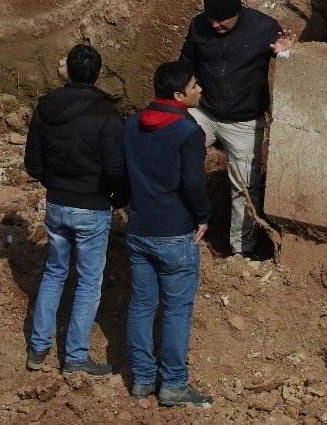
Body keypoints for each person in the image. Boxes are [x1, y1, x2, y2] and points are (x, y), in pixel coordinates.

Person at [105, 61, 213, 406]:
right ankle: (174, 384)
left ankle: (142, 379)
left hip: (139, 229)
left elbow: (117, 169)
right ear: (178, 94)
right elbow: (193, 182)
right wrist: (203, 216)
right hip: (175, 232)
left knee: (141, 305)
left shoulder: (133, 123)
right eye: (195, 85)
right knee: (177, 309)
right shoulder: (188, 131)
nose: (201, 89)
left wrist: (122, 201)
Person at [23, 44, 123, 376]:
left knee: (54, 272)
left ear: (67, 69)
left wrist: (55, 182)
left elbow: (32, 164)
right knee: (89, 280)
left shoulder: (45, 106)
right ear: (97, 72)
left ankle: (38, 350)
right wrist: (117, 196)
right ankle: (76, 357)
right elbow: (115, 166)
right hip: (92, 206)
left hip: (57, 202)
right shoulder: (107, 112)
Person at [179, 0, 296, 258]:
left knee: (245, 188)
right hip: (203, 113)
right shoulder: (199, 26)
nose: (216, 25)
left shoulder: (264, 27)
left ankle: (242, 253)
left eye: (223, 20)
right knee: (173, 154)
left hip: (244, 121)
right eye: (212, 19)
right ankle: (177, 229)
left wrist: (286, 53)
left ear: (239, 12)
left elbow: (293, 68)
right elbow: (185, 65)